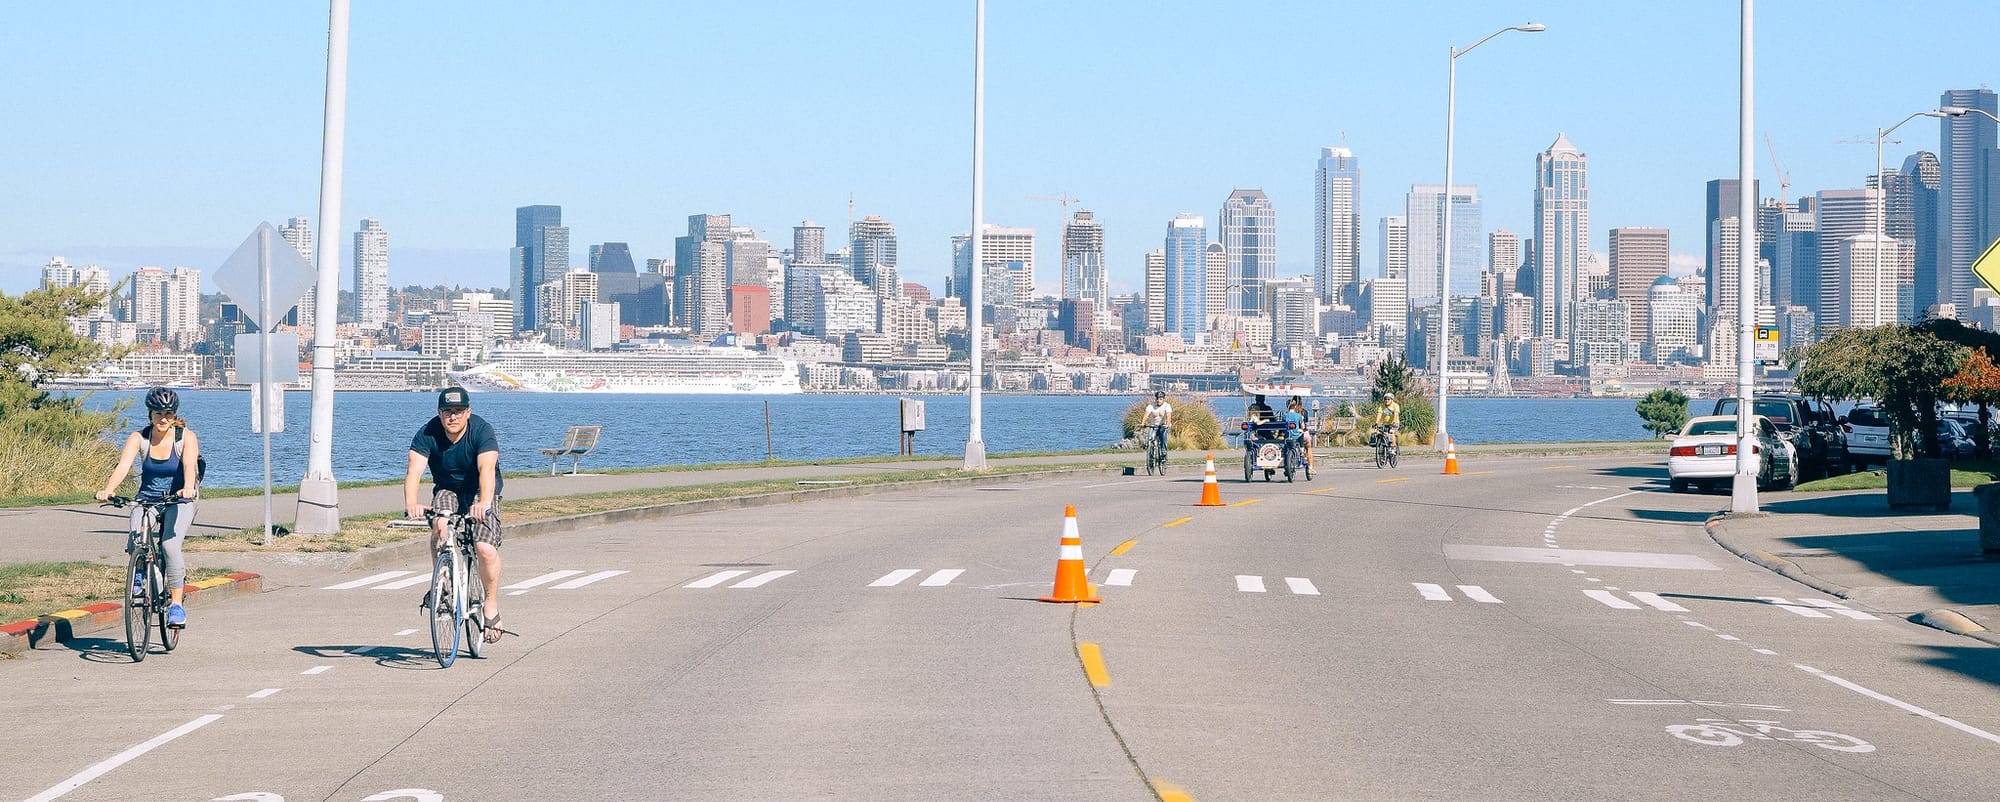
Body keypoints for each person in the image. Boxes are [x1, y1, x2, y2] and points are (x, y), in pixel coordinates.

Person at [405, 387, 506, 643]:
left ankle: (491, 604)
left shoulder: (482, 431)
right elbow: (414, 472)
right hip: (448, 488)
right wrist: (412, 504)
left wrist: (483, 502)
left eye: (459, 411)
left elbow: (487, 469)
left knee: (484, 549)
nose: (453, 417)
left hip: (479, 491)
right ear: (439, 414)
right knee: (440, 524)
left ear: (468, 412)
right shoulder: (428, 433)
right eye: (447, 412)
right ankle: (442, 583)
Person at [96, 387, 200, 627]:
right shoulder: (139, 438)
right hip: (147, 498)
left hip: (179, 498)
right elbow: (123, 467)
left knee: (169, 545)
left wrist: (187, 488)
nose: (163, 418)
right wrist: (108, 489)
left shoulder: (185, 437)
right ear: (149, 414)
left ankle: (176, 606)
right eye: (158, 413)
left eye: (168, 413)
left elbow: (189, 467)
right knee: (136, 539)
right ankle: (140, 574)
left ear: (174, 415)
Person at [1141, 391, 1173, 456]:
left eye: (1160, 399)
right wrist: (1143, 423)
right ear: (1155, 399)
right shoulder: (1151, 406)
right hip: (1154, 426)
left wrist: (1167, 424)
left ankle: (1163, 450)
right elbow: (1146, 415)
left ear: (1163, 399)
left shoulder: (1167, 406)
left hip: (1163, 426)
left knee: (1163, 436)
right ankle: (1151, 455)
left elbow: (1168, 416)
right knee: (1150, 438)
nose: (1158, 400)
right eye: (1157, 398)